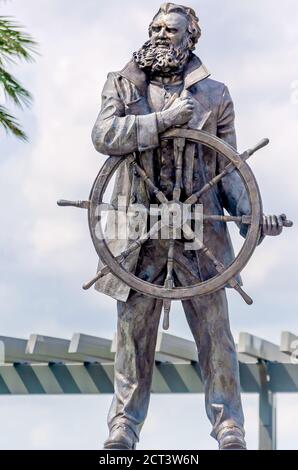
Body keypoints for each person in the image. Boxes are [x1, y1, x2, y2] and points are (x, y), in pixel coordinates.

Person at [91, 3, 284, 450]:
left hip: (202, 240)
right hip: (137, 235)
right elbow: (104, 135)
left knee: (216, 335)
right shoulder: (121, 85)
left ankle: (228, 425)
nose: (161, 34)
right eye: (156, 27)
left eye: (171, 29)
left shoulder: (215, 94)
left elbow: (229, 168)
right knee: (131, 336)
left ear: (190, 38)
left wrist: (251, 218)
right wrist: (161, 122)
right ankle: (123, 426)